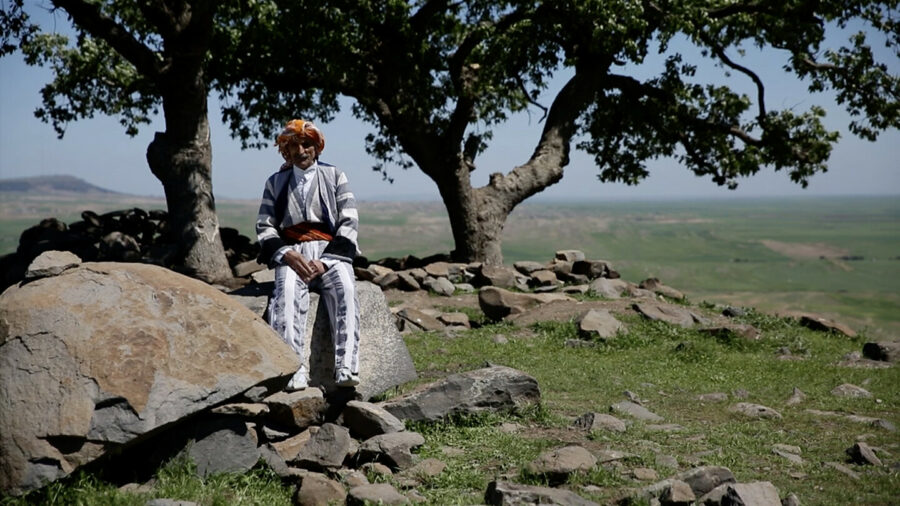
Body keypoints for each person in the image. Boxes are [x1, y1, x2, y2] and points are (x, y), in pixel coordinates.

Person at [256, 119, 361, 391]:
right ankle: (293, 370)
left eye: (306, 144)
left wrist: (325, 262)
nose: (301, 151)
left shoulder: (336, 176)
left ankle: (347, 366)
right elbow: (265, 225)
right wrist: (287, 255)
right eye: (293, 146)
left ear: (317, 146)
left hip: (329, 253)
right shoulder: (275, 182)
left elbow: (349, 221)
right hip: (293, 253)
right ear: (285, 151)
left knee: (346, 289)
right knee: (287, 293)